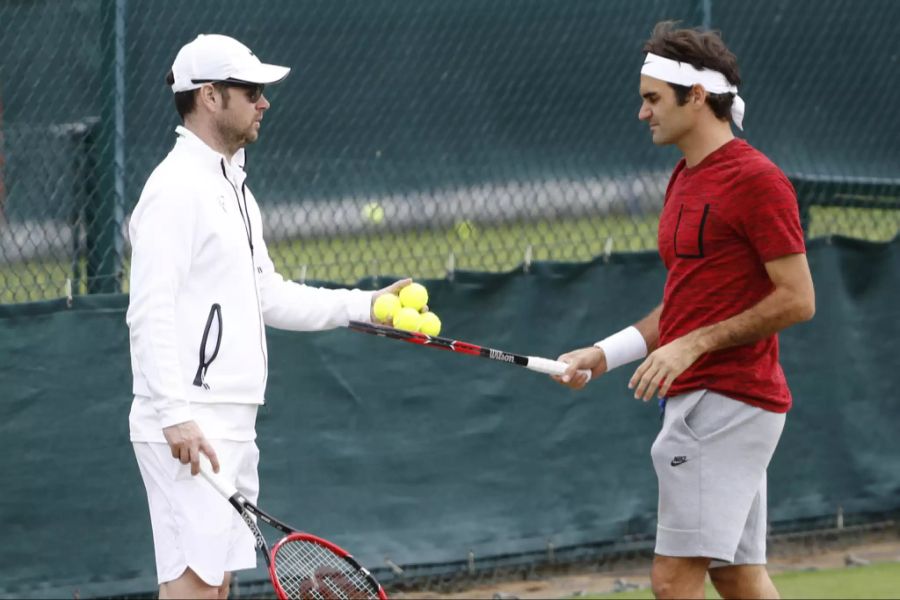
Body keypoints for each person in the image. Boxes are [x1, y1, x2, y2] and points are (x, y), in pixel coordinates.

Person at [126, 34, 412, 600]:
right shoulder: (175, 189)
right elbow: (149, 310)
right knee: (194, 588)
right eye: (252, 91)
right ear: (210, 97)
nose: (264, 103)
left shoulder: (233, 188)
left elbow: (268, 295)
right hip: (191, 420)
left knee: (217, 583)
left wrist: (367, 305)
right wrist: (176, 413)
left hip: (231, 417)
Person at [554, 21, 815, 600]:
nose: (642, 113)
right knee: (737, 575)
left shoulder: (757, 181)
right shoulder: (685, 177)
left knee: (673, 582)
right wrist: (605, 354)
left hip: (725, 402)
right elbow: (685, 302)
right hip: (710, 400)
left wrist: (695, 344)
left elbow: (799, 299)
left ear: (696, 96)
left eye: (652, 99)